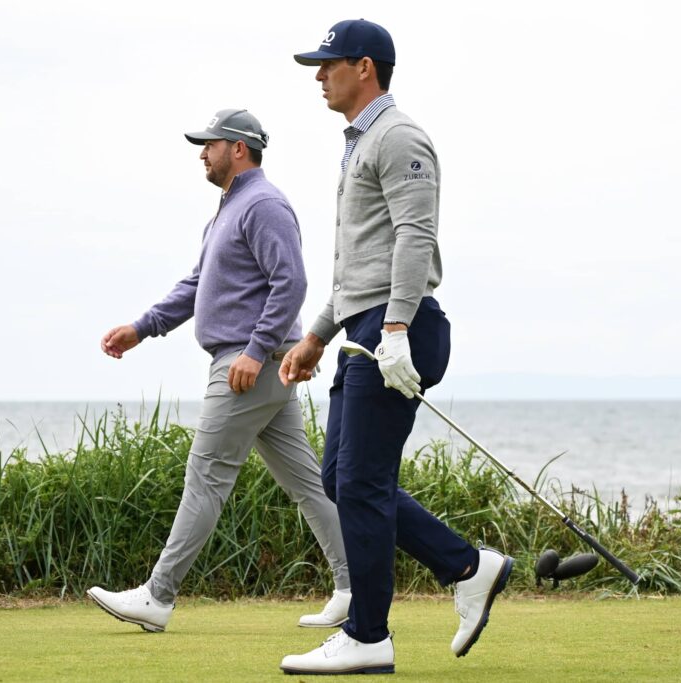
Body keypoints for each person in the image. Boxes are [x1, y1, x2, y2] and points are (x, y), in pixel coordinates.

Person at [277, 20, 514, 675]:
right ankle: (467, 566)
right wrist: (316, 335)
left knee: (358, 481)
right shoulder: (358, 145)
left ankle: (368, 633)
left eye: (328, 64)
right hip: (364, 328)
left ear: (365, 68)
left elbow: (415, 238)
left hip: (397, 328)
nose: (319, 75)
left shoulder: (398, 136)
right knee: (342, 479)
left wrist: (396, 330)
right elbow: (360, 264)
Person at [88, 109, 351, 633]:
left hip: (246, 364)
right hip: (258, 364)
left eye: (209, 144)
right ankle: (355, 585)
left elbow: (291, 283)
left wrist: (255, 350)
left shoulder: (264, 203)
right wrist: (142, 328)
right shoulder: (227, 211)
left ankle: (158, 596)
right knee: (308, 483)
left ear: (238, 148)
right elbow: (196, 284)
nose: (201, 153)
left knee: (206, 476)